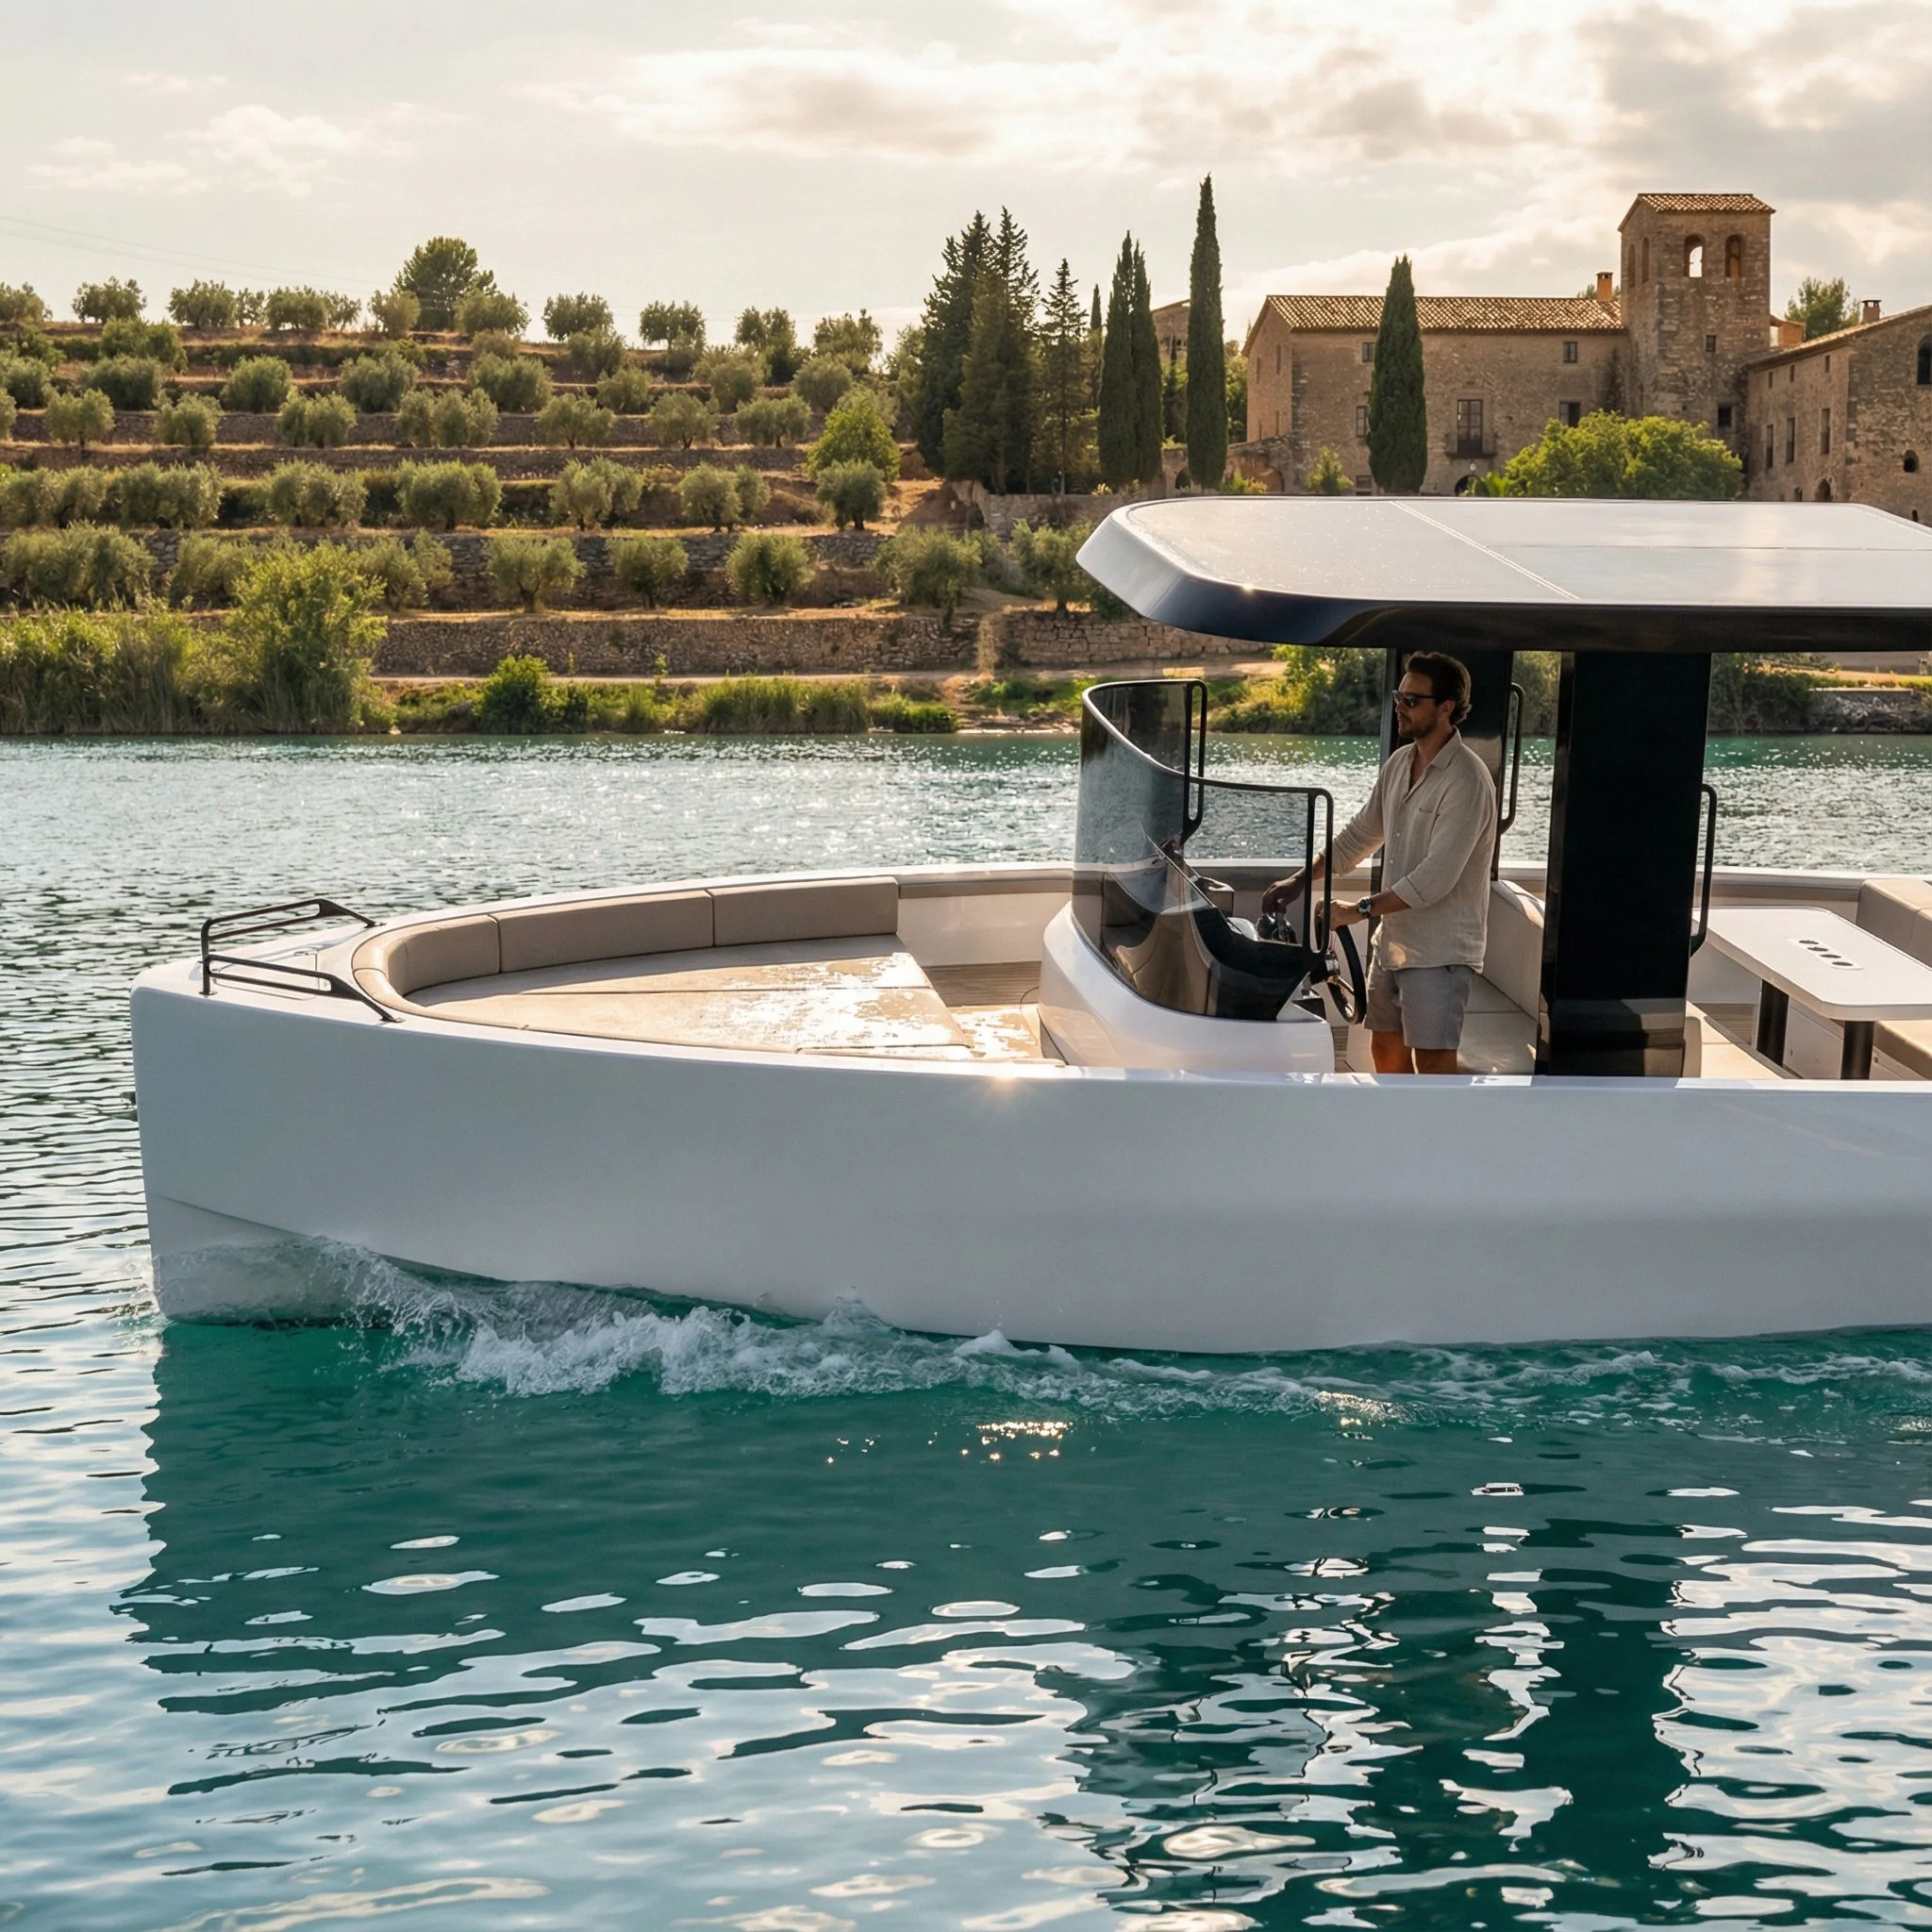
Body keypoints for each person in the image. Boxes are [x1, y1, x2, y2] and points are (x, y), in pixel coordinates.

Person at [1263, 651, 1496, 1074]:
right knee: (1385, 1053)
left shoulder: (1468, 779)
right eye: (1398, 696)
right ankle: (1395, 1137)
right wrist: (1299, 880)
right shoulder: (1399, 764)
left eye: (1412, 700)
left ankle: (1433, 1140)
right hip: (1392, 945)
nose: (1400, 708)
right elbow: (1357, 838)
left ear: (1447, 707)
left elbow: (1434, 880)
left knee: (1433, 1063)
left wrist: (1356, 911)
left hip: (1440, 953)